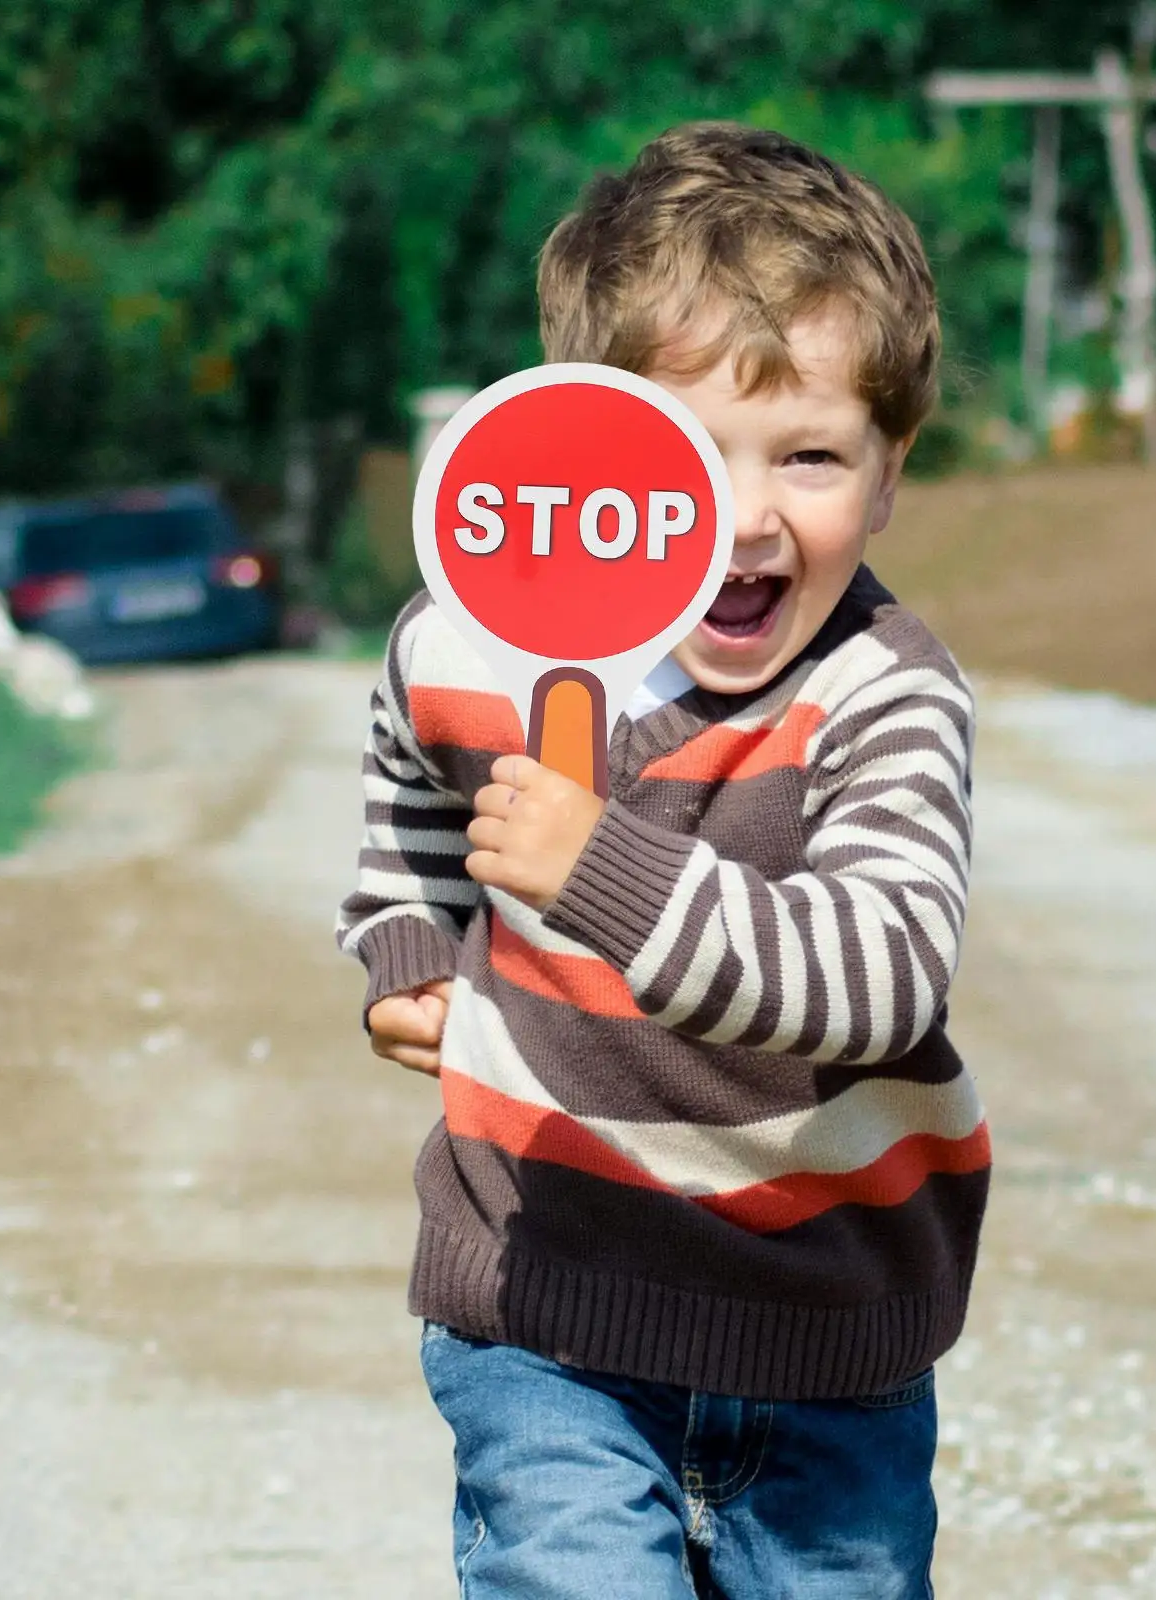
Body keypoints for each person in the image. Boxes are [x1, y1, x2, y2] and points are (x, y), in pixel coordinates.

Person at [336, 121, 988, 1599]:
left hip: (826, 1334)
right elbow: (408, 770)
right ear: (589, 444)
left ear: (890, 475)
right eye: (690, 458)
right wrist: (414, 946)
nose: (749, 519)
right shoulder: (478, 641)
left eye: (811, 456)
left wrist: (598, 873)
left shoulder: (882, 696)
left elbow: (879, 977)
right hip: (545, 1308)